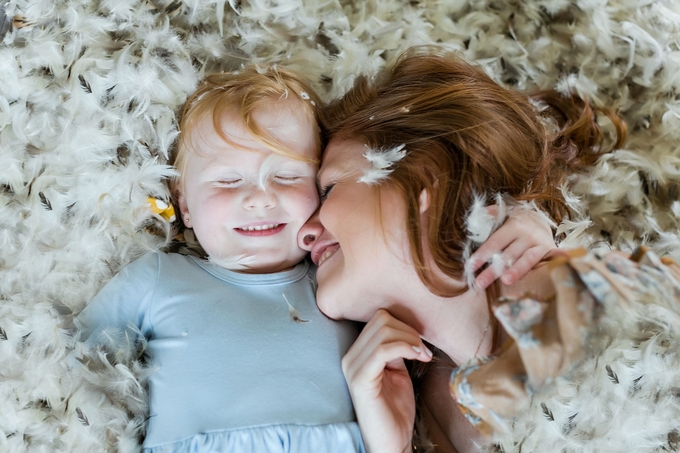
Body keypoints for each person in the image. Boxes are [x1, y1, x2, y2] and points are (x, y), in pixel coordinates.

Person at [75, 64, 554, 453]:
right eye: (228, 181)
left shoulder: (556, 303)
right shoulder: (424, 384)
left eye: (320, 188)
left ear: (425, 183)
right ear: (184, 202)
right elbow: (59, 369)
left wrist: (522, 218)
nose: (305, 231)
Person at [296, 47, 639, 453]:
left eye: (330, 189)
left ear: (426, 176)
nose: (304, 231)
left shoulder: (593, 295)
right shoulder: (430, 404)